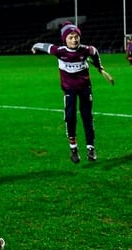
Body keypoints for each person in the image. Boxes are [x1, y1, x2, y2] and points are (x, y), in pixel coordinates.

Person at [32, 20, 108, 163]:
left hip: (85, 88)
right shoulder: (59, 51)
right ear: (64, 39)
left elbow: (95, 52)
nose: (74, 40)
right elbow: (43, 46)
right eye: (70, 37)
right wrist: (35, 46)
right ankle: (73, 148)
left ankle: (91, 148)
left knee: (87, 118)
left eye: (76, 36)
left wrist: (99, 66)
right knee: (70, 117)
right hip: (69, 90)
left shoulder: (86, 50)